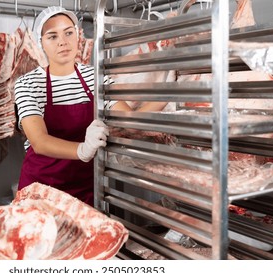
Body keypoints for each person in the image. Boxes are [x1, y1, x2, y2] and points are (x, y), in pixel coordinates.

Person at [14, 6, 166, 206]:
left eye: (69, 33)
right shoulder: (28, 84)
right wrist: (82, 150)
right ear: (41, 42)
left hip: (86, 189)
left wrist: (166, 93)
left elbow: (130, 122)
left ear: (78, 36)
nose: (62, 42)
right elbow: (39, 142)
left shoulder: (96, 78)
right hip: (41, 191)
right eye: (52, 36)